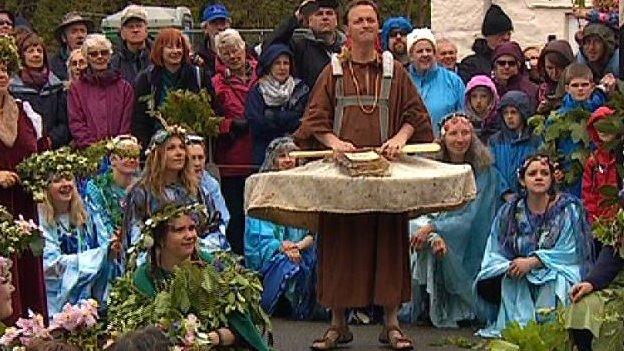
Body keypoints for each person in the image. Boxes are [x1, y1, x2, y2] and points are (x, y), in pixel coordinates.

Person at [293, 1, 434, 349]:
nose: (366, 25)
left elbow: (416, 116)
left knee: (388, 244)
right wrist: (335, 142)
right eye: (359, 20)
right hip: (344, 175)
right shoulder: (333, 71)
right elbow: (314, 120)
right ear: (348, 27)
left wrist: (400, 140)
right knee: (339, 245)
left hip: (385, 175)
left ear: (378, 26)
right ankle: (337, 324)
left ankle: (391, 324)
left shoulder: (395, 71)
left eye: (371, 20)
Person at [474, 154, 593, 337]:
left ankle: (551, 331)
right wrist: (510, 266)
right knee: (512, 279)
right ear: (522, 180)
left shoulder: (568, 210)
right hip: (519, 273)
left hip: (557, 270)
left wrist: (533, 262)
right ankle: (521, 331)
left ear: (552, 178)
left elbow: (569, 252)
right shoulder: (509, 212)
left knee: (553, 281)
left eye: (544, 173)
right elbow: (495, 250)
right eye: (532, 173)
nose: (539, 177)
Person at [403, 113, 503, 328]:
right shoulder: (431, 169)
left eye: (465, 133)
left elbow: (471, 218)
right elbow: (420, 206)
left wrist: (435, 228)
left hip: (468, 237)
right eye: (454, 134)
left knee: (438, 238)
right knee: (416, 230)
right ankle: (423, 305)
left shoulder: (484, 172)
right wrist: (431, 230)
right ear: (443, 137)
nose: (460, 139)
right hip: (432, 227)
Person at [131, 204, 271, 350]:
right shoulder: (144, 278)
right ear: (160, 239)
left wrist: (212, 338)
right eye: (179, 230)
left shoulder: (213, 268)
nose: (190, 235)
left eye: (192, 228)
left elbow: (243, 329)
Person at [123, 126, 229, 255]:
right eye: (171, 148)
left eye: (182, 147)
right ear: (158, 155)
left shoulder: (197, 190)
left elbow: (214, 227)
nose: (179, 153)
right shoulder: (141, 193)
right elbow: (135, 238)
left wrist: (199, 249)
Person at [0, 35, 47, 323]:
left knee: (27, 276)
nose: (1, 74)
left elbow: (37, 149)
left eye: (5, 67)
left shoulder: (23, 111)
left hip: (23, 208)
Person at [244, 137, 318, 319]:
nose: (287, 160)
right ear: (273, 160)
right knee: (286, 263)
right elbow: (257, 230)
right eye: (282, 156)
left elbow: (313, 230)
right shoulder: (262, 188)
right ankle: (280, 302)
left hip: (302, 247)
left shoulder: (306, 189)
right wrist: (282, 246)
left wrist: (297, 246)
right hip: (275, 247)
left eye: (291, 155)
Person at [39, 165, 119, 316]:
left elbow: (104, 248)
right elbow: (51, 266)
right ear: (46, 187)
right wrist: (101, 255)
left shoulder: (86, 214)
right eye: (57, 180)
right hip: (55, 303)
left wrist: (111, 251)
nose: (65, 184)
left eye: (69, 178)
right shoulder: (41, 220)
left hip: (89, 299)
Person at [132, 27, 219, 151]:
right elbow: (140, 121)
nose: (175, 51)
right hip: (158, 148)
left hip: (192, 147)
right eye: (170, 47)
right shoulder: (146, 79)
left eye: (179, 47)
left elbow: (213, 110)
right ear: (160, 50)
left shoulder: (199, 75)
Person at [212, 28, 258, 255]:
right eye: (226, 52)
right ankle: (237, 258)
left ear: (244, 48)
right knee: (236, 215)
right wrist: (228, 125)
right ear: (219, 56)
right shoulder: (215, 83)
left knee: (257, 213)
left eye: (236, 49)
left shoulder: (262, 74)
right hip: (232, 157)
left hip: (258, 153)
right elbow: (209, 119)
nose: (233, 55)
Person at [245, 43, 310, 166]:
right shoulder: (258, 90)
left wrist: (272, 116)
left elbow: (303, 121)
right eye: (277, 63)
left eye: (286, 63)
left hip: (295, 153)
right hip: (263, 154)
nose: (282, 67)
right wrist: (288, 118)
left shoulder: (301, 89)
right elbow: (256, 125)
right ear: (269, 65)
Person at [68, 34, 134, 148]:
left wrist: (118, 146)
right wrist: (93, 147)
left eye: (104, 52)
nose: (100, 57)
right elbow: (76, 122)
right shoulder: (76, 88)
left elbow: (126, 123)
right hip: (88, 152)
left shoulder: (124, 88)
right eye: (93, 54)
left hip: (119, 153)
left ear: (110, 55)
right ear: (86, 57)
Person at [263, 0, 346, 89]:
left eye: (329, 13)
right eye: (319, 14)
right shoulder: (299, 46)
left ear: (336, 20)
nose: (325, 17)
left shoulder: (347, 47)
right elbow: (268, 47)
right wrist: (297, 17)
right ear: (309, 21)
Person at [10, 32, 69, 150]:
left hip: (53, 149)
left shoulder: (56, 86)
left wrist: (51, 140)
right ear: (22, 56)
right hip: (22, 149)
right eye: (31, 51)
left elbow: (64, 122)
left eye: (39, 51)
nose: (36, 55)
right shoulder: (13, 88)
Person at [406, 28, 465, 136]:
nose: (425, 54)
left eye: (429, 50)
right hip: (411, 148)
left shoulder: (453, 81)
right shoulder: (403, 81)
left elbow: (463, 118)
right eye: (419, 51)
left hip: (444, 148)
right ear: (410, 56)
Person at [566, 243, 623, 351]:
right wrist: (591, 282)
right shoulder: (619, 229)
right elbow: (611, 253)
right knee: (581, 307)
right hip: (618, 287)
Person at [489, 91, 541, 198]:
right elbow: (491, 170)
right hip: (502, 200)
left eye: (513, 112)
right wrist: (504, 191)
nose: (509, 117)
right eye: (505, 113)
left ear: (523, 113)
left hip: (530, 199)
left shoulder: (536, 139)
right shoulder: (494, 141)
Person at [185, 134, 231, 251]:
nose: (197, 163)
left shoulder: (211, 184)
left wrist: (209, 242)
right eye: (192, 158)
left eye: (200, 158)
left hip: (211, 242)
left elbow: (223, 217)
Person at [581, 106, 621, 224]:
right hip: (601, 222)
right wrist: (593, 219)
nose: (603, 130)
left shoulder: (621, 155)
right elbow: (588, 192)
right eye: (598, 127)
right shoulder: (594, 160)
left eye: (606, 125)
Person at [458, 4, 513, 83]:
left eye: (509, 34)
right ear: (488, 36)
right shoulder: (471, 65)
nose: (506, 38)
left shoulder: (515, 61)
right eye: (501, 34)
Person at [110, 5, 151, 85]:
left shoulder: (158, 57)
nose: (135, 30)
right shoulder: (114, 63)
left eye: (139, 26)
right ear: (122, 32)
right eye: (130, 27)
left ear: (146, 30)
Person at [491, 41, 539, 110]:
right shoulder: (488, 89)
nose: (506, 67)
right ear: (495, 66)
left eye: (511, 63)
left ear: (518, 66)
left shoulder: (532, 90)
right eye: (501, 63)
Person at [49, 12, 93, 81]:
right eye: (74, 32)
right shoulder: (54, 66)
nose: (80, 36)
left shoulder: (96, 58)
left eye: (83, 31)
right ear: (64, 38)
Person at [536, 40, 574, 115]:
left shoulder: (579, 85)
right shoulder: (542, 91)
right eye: (549, 68)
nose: (555, 73)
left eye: (560, 67)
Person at [197, 3, 232, 78]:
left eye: (223, 22)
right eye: (214, 23)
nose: (220, 27)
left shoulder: (244, 52)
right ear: (205, 28)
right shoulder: (199, 58)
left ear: (229, 25)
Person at [464, 75, 500, 142]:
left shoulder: (499, 123)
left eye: (483, 96)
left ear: (491, 98)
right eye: (474, 96)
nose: (478, 101)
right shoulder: (463, 124)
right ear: (468, 99)